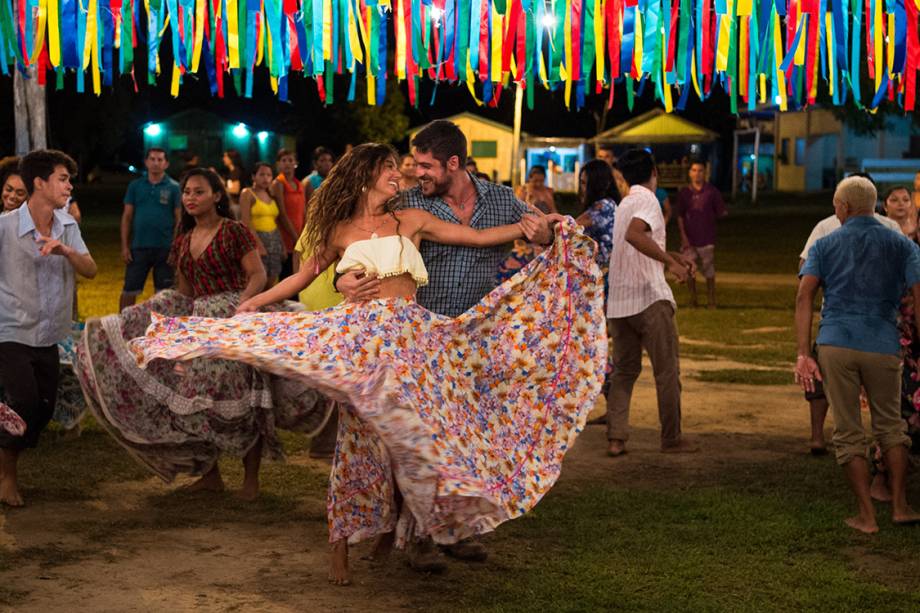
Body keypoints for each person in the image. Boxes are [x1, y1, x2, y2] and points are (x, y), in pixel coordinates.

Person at [129, 142, 600, 587]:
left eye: (400, 169)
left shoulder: (411, 219)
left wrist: (533, 228)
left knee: (418, 434)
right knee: (358, 438)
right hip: (362, 342)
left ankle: (406, 532)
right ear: (365, 177)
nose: (400, 175)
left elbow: (475, 236)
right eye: (390, 170)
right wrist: (257, 303)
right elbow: (303, 273)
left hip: (411, 338)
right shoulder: (339, 231)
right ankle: (342, 542)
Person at [76, 168, 326, 501]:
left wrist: (243, 306)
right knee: (195, 401)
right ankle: (212, 476)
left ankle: (251, 481)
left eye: (199, 192)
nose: (191, 198)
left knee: (246, 398)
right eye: (187, 193)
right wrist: (158, 316)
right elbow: (185, 291)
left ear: (217, 196)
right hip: (201, 326)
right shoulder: (182, 242)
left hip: (236, 322)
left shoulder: (234, 231)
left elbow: (257, 274)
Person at [795, 176, 920, 534]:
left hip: (836, 343)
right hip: (882, 342)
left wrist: (804, 351)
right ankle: (899, 505)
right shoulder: (902, 244)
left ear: (844, 207)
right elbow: (917, 293)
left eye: (837, 205)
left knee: (848, 431)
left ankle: (865, 515)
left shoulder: (825, 242)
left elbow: (804, 297)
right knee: (891, 427)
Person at [0, 150, 97, 506]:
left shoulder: (67, 226)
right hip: (10, 330)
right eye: (63, 178)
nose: (70, 185)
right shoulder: (5, 227)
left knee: (43, 408)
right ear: (39, 183)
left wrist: (66, 252)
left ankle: (5, 455)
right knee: (23, 403)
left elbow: (91, 270)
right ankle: (7, 477)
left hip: (50, 333)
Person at [797, 177, 902, 455]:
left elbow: (804, 289)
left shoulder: (889, 230)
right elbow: (805, 268)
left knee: (868, 414)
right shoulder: (826, 228)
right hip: (861, 330)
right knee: (884, 419)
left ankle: (873, 464)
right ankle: (821, 437)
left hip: (852, 330)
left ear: (845, 204)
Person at [605, 149, 698, 457]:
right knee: (667, 371)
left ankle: (616, 438)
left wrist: (672, 257)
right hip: (648, 298)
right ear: (654, 172)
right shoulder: (649, 200)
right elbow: (635, 236)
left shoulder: (624, 204)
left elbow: (636, 241)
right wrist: (670, 265)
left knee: (624, 371)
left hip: (619, 303)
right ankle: (671, 438)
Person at [869, 186, 920, 501]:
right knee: (896, 406)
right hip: (899, 334)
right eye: (895, 200)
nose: (903, 204)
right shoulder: (890, 242)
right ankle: (882, 475)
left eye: (907, 199)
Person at [119, 148, 181, 312]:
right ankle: (122, 324)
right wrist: (125, 246)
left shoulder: (174, 188)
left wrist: (175, 246)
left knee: (164, 294)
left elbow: (179, 219)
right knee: (129, 289)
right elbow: (127, 217)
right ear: (146, 162)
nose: (156, 163)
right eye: (152, 159)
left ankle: (162, 329)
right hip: (139, 246)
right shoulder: (135, 186)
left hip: (165, 247)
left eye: (160, 160)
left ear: (166, 163)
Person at [675, 160, 727, 309]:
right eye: (694, 170)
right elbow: (680, 216)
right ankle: (693, 299)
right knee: (690, 270)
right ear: (689, 173)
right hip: (689, 240)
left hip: (706, 238)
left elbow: (721, 211)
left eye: (700, 170)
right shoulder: (684, 193)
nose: (697, 173)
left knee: (708, 270)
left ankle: (711, 300)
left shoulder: (712, 192)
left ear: (705, 173)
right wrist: (683, 236)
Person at [240, 162, 297, 288]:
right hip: (257, 240)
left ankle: (269, 307)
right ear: (253, 177)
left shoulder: (271, 195)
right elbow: (246, 222)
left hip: (274, 239)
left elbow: (275, 222)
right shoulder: (247, 193)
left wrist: (282, 244)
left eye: (269, 175)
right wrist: (258, 245)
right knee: (258, 279)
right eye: (262, 174)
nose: (265, 178)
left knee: (273, 277)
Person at [272, 149, 307, 280]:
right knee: (286, 275)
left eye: (290, 160)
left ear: (296, 163)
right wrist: (295, 237)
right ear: (278, 164)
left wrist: (303, 234)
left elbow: (303, 210)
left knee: (297, 273)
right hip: (285, 235)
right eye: (283, 160)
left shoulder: (299, 184)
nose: (287, 163)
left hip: (298, 234)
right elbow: (281, 213)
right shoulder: (278, 183)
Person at [221, 150, 246, 218]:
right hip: (235, 204)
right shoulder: (232, 172)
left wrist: (221, 190)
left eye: (225, 156)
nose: (223, 159)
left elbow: (235, 190)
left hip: (237, 204)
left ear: (231, 158)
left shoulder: (236, 171)